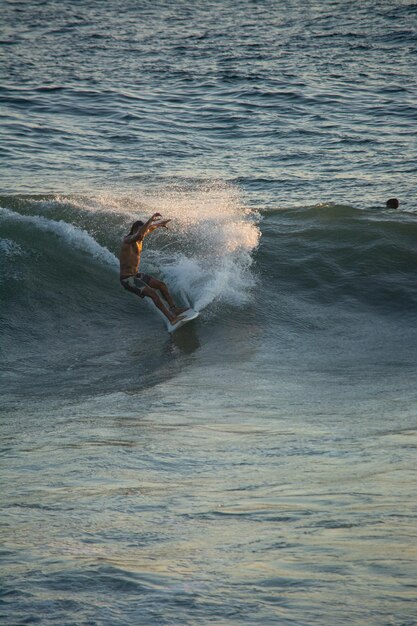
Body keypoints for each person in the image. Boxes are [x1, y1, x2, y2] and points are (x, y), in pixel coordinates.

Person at [120, 212, 187, 325]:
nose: (142, 235)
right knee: (153, 294)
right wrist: (151, 219)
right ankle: (172, 319)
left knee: (161, 285)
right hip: (127, 279)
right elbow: (140, 233)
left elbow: (148, 229)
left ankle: (174, 309)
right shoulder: (128, 240)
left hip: (135, 275)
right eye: (140, 232)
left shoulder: (140, 237)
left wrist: (160, 224)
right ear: (135, 229)